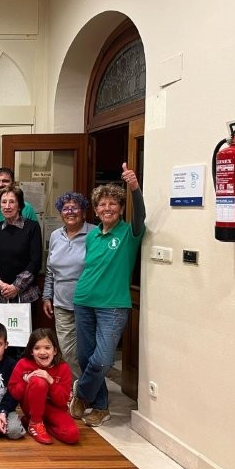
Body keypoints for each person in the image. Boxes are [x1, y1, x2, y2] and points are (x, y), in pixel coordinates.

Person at [70, 164, 145, 428]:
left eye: (113, 203)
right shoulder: (92, 236)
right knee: (85, 357)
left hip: (113, 306)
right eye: (102, 204)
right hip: (83, 300)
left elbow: (141, 215)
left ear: (121, 208)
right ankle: (101, 407)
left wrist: (134, 187)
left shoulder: (129, 233)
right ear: (96, 210)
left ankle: (81, 393)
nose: (107, 208)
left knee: (102, 360)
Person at [42, 192, 97, 372]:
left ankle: (89, 386)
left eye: (75, 208)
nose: (70, 212)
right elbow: (50, 269)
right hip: (61, 304)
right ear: (61, 213)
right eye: (66, 208)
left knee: (88, 352)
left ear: (84, 212)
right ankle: (78, 387)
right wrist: (47, 296)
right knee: (67, 352)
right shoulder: (56, 235)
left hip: (89, 304)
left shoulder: (95, 233)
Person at [0, 185, 42, 333]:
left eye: (12, 202)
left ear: (20, 205)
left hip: (24, 296)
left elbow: (35, 261)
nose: (7, 206)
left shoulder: (32, 227)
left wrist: (16, 287)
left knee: (22, 341)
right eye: (3, 202)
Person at [9, 328, 79, 445]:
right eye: (37, 348)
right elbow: (14, 394)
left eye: (47, 347)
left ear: (55, 350)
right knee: (39, 380)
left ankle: (36, 424)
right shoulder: (23, 364)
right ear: (31, 351)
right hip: (31, 407)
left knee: (72, 435)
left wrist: (51, 380)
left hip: (54, 409)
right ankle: (35, 423)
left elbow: (62, 401)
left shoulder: (63, 368)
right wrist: (27, 380)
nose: (42, 352)